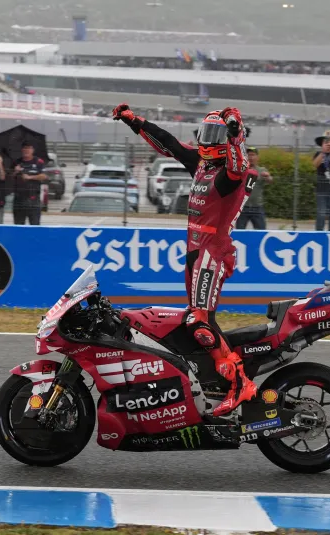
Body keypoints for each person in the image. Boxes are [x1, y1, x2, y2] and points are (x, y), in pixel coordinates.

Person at [112, 102, 256, 417]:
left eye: (213, 134)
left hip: (212, 251)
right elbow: (171, 145)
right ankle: (215, 382)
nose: (206, 141)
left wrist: (234, 134)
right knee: (199, 319)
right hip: (193, 250)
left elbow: (239, 165)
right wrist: (136, 122)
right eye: (206, 133)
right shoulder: (202, 165)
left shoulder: (230, 174)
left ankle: (240, 384)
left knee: (198, 322)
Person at [236, 147, 272, 230]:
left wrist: (268, 177)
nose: (251, 157)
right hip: (242, 208)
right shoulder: (241, 170)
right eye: (249, 155)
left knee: (261, 232)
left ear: (257, 157)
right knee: (240, 233)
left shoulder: (262, 170)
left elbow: (270, 181)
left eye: (253, 155)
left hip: (257, 208)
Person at [12, 142, 47, 226]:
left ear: (32, 150)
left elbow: (44, 176)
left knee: (34, 226)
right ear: (21, 150)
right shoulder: (16, 162)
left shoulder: (38, 161)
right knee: (18, 226)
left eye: (29, 148)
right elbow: (9, 179)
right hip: (19, 199)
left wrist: (30, 177)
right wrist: (15, 171)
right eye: (24, 148)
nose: (26, 150)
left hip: (33, 199)